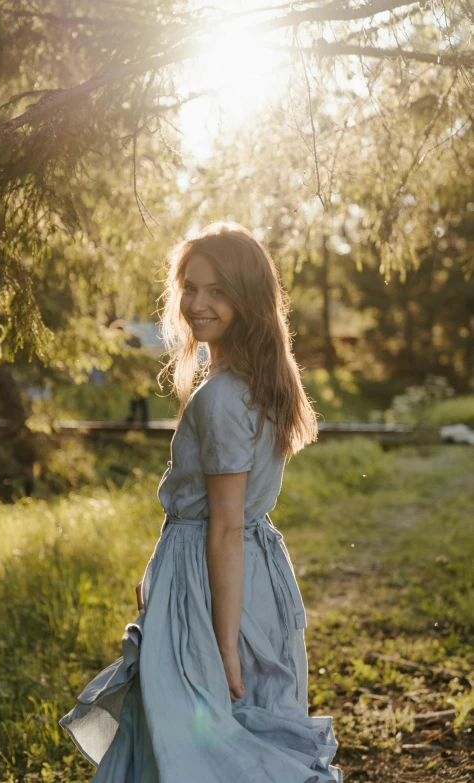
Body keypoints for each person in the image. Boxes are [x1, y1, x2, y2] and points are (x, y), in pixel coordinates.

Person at [59, 222, 343, 783]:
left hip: (211, 578)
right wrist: (155, 565)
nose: (197, 303)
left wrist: (224, 649)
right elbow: (207, 513)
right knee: (243, 722)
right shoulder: (263, 380)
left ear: (248, 298)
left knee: (201, 740)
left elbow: (224, 527)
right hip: (245, 569)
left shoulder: (221, 398)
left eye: (217, 290)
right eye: (190, 287)